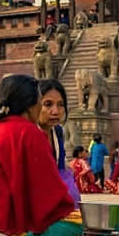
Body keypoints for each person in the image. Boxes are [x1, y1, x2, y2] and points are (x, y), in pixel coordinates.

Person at [0, 74, 74, 236]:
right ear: (30, 105)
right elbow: (49, 193)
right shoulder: (29, 132)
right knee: (71, 229)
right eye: (42, 102)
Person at [38, 78, 80, 207]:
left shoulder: (57, 132)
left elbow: (61, 169)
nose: (56, 111)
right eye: (48, 104)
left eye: (61, 105)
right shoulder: (27, 136)